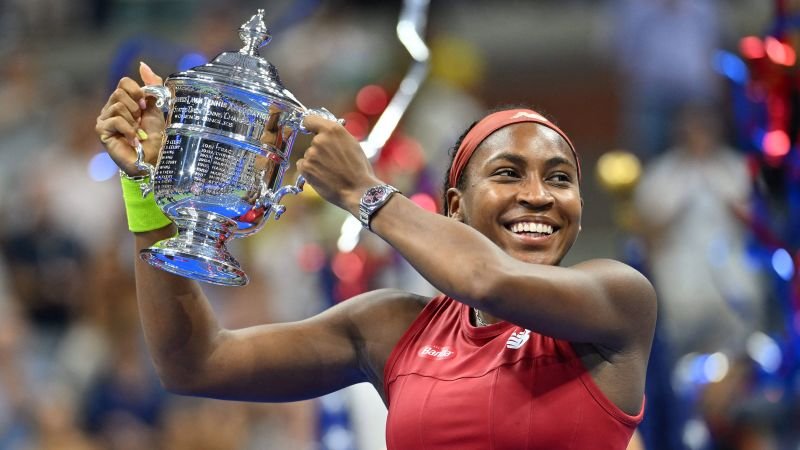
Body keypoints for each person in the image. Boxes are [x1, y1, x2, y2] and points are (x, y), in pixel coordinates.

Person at [94, 62, 657, 449]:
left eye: (559, 179)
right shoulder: (390, 327)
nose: (538, 195)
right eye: (508, 174)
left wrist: (363, 191)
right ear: (454, 207)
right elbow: (192, 361)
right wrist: (148, 192)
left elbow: (486, 280)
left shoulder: (616, 299)